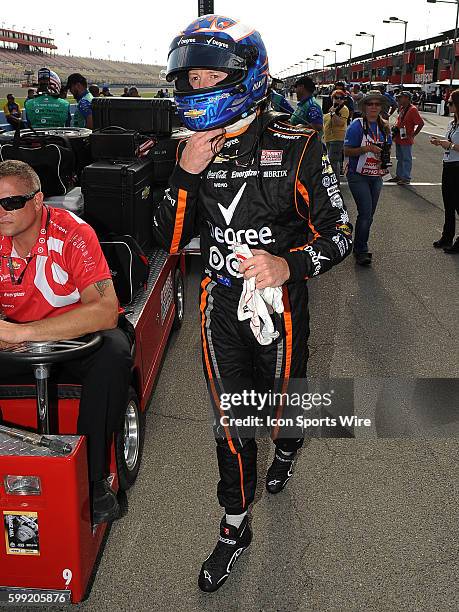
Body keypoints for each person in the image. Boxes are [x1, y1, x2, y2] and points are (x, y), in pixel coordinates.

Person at [152, 14, 353, 592]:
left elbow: (339, 231)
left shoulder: (299, 146)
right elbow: (166, 241)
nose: (197, 88)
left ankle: (288, 447)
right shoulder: (189, 149)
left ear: (246, 76)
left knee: (284, 410)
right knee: (232, 422)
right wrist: (185, 174)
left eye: (210, 75)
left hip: (282, 307)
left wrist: (288, 264)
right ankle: (234, 526)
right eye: (189, 79)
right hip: (220, 308)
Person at [0, 160, 133, 524]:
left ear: (39, 200)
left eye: (10, 202)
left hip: (76, 339)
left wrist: (21, 333)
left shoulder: (72, 232)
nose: (1, 212)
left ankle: (93, 481)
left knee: (114, 350)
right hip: (14, 340)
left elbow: (106, 311)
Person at [344, 90, 392, 266]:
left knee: (369, 214)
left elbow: (387, 149)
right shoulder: (357, 125)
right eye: (370, 104)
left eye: (377, 104)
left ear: (381, 107)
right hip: (358, 175)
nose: (373, 107)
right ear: (364, 107)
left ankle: (358, 244)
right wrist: (367, 149)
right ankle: (361, 250)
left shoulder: (385, 126)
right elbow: (346, 151)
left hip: (376, 175)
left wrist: (384, 159)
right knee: (365, 212)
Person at [430, 89, 459, 254]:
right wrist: (440, 142)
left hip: (458, 167)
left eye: (450, 103)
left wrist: (450, 146)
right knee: (448, 204)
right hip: (448, 165)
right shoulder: (451, 123)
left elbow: (453, 145)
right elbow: (449, 142)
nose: (448, 105)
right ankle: (447, 236)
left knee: (457, 205)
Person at [391, 91, 424, 185]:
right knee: (400, 158)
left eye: (400, 97)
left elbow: (421, 123)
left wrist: (414, 134)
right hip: (399, 137)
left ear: (407, 98)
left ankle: (405, 177)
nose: (398, 99)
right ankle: (399, 176)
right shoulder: (402, 108)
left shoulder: (412, 110)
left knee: (406, 158)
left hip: (406, 138)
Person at [323, 89, 350, 184]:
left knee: (332, 161)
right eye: (336, 97)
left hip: (337, 138)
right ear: (332, 98)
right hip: (329, 137)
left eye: (341, 98)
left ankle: (335, 182)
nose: (338, 100)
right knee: (334, 161)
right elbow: (326, 122)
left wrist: (333, 113)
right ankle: (335, 180)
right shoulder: (331, 108)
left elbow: (340, 123)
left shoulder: (344, 109)